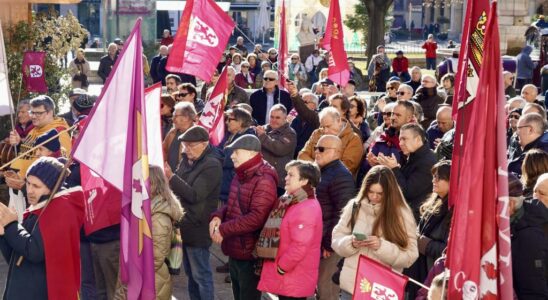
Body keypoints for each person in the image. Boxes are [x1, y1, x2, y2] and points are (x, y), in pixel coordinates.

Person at [0, 157, 85, 299]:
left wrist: (11, 225)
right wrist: (4, 234)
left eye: (36, 186)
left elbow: (35, 251)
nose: (30, 191)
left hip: (40, 292)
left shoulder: (60, 210)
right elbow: (17, 259)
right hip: (26, 289)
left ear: (52, 187)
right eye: (28, 183)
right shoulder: (40, 207)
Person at [331, 165, 419, 300]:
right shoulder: (354, 206)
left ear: (390, 192)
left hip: (380, 291)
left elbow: (410, 255)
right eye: (370, 192)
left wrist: (381, 246)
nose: (374, 197)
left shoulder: (402, 214)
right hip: (351, 288)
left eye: (380, 194)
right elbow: (336, 239)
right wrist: (351, 243)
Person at [209, 134, 278, 300]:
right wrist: (218, 215)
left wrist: (223, 230)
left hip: (249, 253)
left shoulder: (264, 180)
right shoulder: (242, 173)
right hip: (236, 248)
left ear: (251, 153)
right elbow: (233, 204)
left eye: (236, 152)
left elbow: (257, 217)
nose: (232, 156)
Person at [165, 126, 222, 300]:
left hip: (198, 226)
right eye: (185, 145)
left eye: (191, 145)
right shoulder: (186, 159)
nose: (186, 149)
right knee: (191, 274)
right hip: (184, 224)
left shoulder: (211, 164)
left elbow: (195, 195)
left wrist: (172, 178)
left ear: (204, 144)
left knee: (201, 275)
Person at [257, 160, 323, 300]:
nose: (286, 178)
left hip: (293, 275)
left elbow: (300, 245)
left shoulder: (307, 207)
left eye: (291, 175)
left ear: (304, 180)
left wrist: (282, 267)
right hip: (288, 275)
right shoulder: (292, 200)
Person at [313, 135, 356, 299]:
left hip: (330, 244)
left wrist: (329, 244)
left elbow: (343, 214)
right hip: (320, 239)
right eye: (316, 148)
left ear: (337, 152)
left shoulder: (341, 175)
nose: (317, 152)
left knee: (326, 289)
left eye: (322, 149)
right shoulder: (324, 171)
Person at [404, 160, 452, 299]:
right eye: (434, 176)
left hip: (434, 275)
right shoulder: (432, 205)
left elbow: (450, 251)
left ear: (453, 180)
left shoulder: (456, 212)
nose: (434, 180)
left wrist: (426, 244)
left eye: (439, 177)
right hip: (417, 269)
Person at [377, 123, 437, 221]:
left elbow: (407, 192)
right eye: (400, 139)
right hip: (405, 213)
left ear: (417, 139)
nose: (400, 143)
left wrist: (394, 169)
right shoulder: (412, 155)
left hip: (414, 217)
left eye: (404, 139)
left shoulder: (427, 162)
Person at [8, 96, 72, 180]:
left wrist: (25, 186)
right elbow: (28, 153)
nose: (33, 116)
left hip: (32, 186)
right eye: (32, 112)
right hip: (18, 182)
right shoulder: (34, 129)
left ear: (50, 113)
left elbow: (59, 167)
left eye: (38, 113)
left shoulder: (59, 133)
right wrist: (18, 143)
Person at [508, 173, 548, 299]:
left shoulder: (530, 234)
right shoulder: (524, 223)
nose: (535, 196)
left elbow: (533, 291)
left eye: (542, 193)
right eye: (535, 191)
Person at [298, 107, 363, 176]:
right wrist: (316, 167)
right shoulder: (317, 133)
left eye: (328, 126)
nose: (325, 130)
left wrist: (316, 167)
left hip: (336, 183)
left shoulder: (353, 139)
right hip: (311, 178)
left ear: (339, 121)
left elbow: (347, 167)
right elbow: (302, 155)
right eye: (323, 127)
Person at [257, 104, 297, 194]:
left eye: (277, 118)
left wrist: (263, 136)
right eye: (272, 117)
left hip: (277, 181)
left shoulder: (290, 133)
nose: (274, 120)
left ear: (285, 118)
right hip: (260, 177)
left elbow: (279, 149)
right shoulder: (264, 129)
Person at [162, 102, 197, 171]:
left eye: (175, 116)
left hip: (185, 179)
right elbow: (164, 150)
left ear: (186, 118)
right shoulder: (172, 132)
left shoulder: (197, 134)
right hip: (169, 177)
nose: (173, 119)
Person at [288, 87, 320, 156]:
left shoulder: (317, 118)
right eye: (301, 102)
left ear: (314, 105)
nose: (302, 105)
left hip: (307, 156)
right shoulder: (296, 119)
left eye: (304, 102)